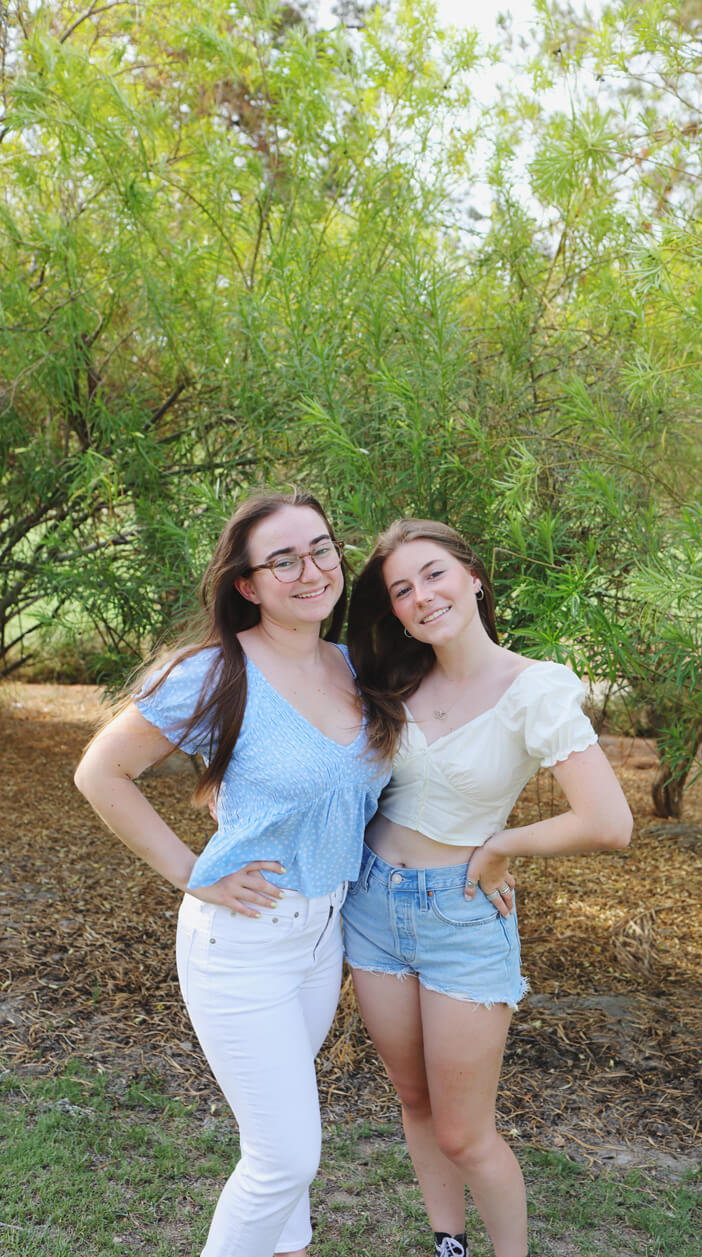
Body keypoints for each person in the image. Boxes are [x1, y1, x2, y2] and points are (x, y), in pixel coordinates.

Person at [74, 489, 389, 1257]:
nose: (310, 569)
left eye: (320, 548)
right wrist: (191, 870)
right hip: (242, 941)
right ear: (247, 583)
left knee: (282, 1135)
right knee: (286, 1157)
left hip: (321, 938)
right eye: (283, 560)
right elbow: (100, 771)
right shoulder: (215, 672)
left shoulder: (358, 666)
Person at [343, 519, 633, 1257]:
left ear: (473, 577)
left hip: (461, 915)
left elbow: (609, 821)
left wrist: (502, 845)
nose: (420, 597)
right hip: (372, 906)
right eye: (401, 589)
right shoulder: (396, 678)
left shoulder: (533, 687)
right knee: (414, 1099)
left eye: (433, 574)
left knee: (464, 1133)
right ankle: (450, 1244)